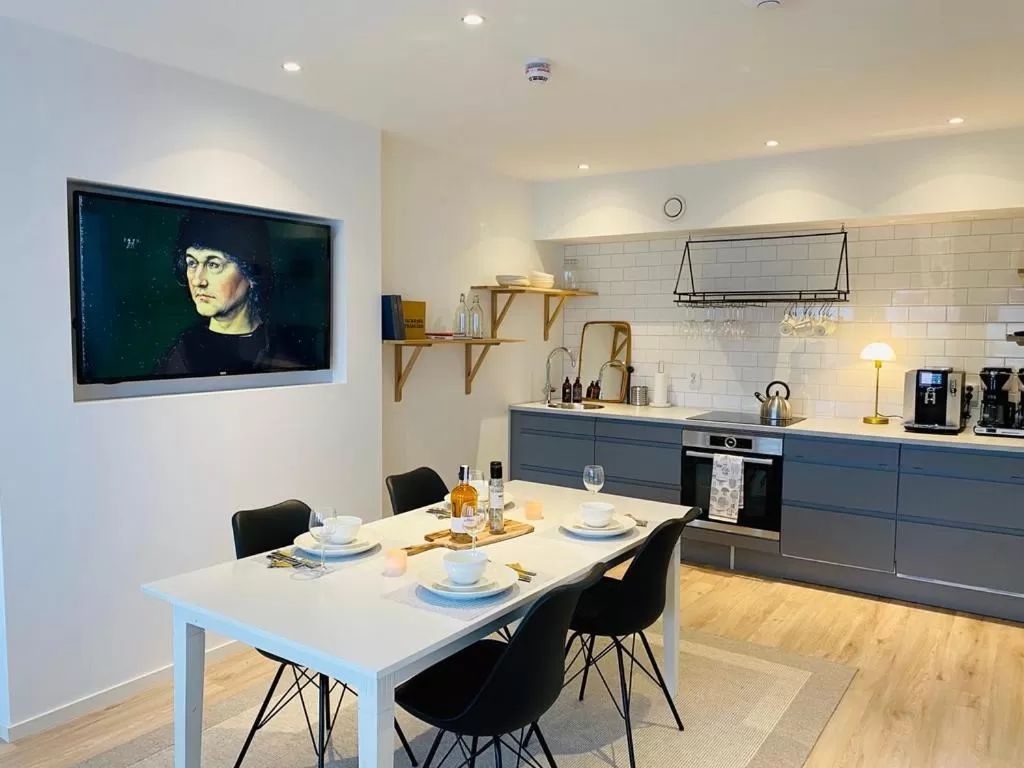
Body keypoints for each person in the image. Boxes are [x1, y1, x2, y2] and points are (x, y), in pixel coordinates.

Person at [157, 208, 318, 376]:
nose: (198, 280)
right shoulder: (181, 353)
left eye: (213, 265)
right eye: (192, 263)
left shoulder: (285, 349)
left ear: (250, 273)